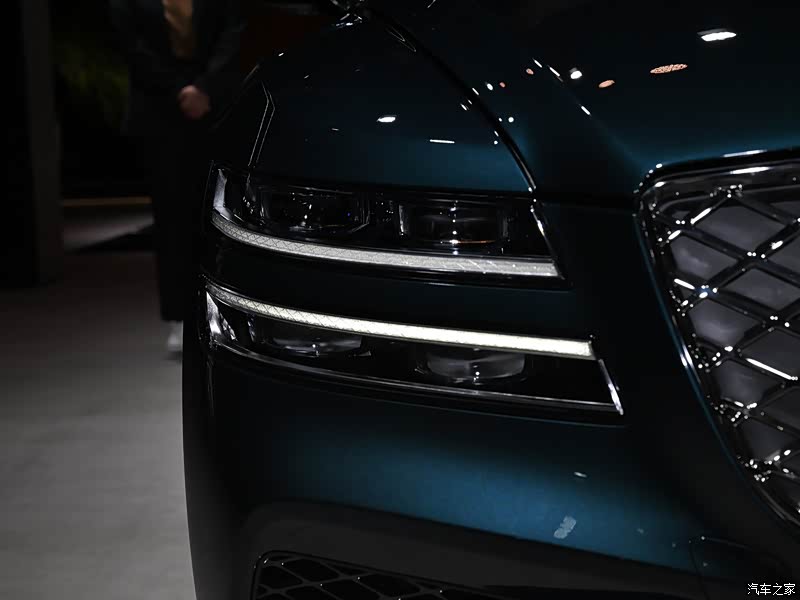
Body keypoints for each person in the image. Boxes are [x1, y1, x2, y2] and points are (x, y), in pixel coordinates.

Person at [110, 0, 244, 352]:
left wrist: (205, 88)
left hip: (213, 106)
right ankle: (178, 316)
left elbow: (233, 31)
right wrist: (180, 91)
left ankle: (226, 310)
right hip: (159, 110)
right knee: (171, 218)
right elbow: (131, 43)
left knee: (220, 215)